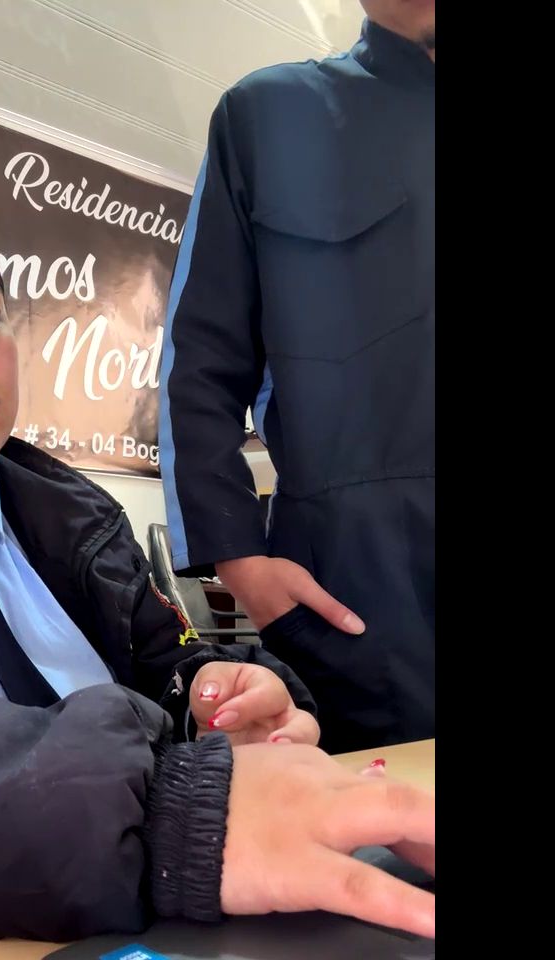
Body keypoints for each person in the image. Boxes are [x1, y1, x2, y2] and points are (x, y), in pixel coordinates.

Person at [0, 182, 434, 942]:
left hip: (175, 915)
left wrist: (230, 699)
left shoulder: (73, 514)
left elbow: (183, 662)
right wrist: (165, 814)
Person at [158, 0, 435, 754]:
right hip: (358, 596)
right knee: (372, 821)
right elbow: (199, 358)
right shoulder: (268, 117)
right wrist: (239, 558)